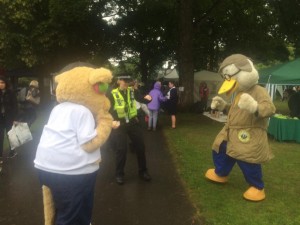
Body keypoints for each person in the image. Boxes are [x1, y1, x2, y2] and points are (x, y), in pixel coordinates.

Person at [108, 75, 152, 185]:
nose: (127, 83)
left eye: (128, 81)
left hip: (133, 122)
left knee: (140, 147)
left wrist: (148, 99)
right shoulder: (112, 93)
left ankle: (143, 172)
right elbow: (106, 109)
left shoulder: (132, 91)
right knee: (121, 149)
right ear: (119, 81)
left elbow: (141, 99)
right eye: (124, 81)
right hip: (120, 124)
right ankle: (119, 174)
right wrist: (112, 121)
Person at [0, 76, 18, 162]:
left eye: (2, 83)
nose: (1, 84)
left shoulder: (11, 93)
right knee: (0, 136)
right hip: (1, 118)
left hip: (9, 117)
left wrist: (14, 118)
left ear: (6, 83)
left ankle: (12, 151)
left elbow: (15, 106)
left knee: (10, 135)